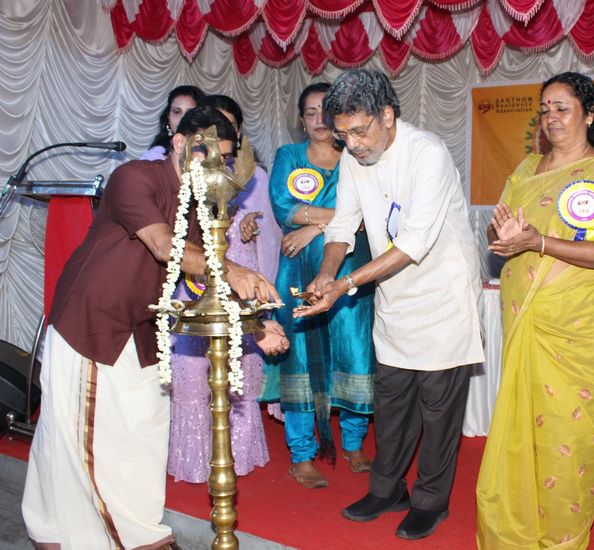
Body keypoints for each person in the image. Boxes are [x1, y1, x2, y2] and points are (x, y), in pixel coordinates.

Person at [21, 106, 288, 549]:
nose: (213, 167)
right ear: (179, 143)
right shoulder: (134, 178)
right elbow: (165, 245)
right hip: (94, 323)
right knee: (86, 435)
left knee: (141, 430)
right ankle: (109, 536)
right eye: (206, 154)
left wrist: (255, 323)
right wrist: (234, 271)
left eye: (223, 159)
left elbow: (202, 275)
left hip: (144, 327)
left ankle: (83, 528)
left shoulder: (198, 199)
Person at [296, 68, 484, 540]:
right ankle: (386, 490)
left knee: (438, 412)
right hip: (394, 296)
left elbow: (413, 243)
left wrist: (345, 283)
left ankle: (431, 501)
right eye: (344, 135)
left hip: (443, 298)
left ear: (387, 115)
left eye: (360, 131)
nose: (353, 144)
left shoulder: (427, 153)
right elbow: (342, 224)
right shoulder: (354, 157)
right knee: (392, 402)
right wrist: (326, 274)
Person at [475, 72, 594, 549]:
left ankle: (563, 538)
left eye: (562, 108)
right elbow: (500, 233)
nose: (551, 118)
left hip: (579, 328)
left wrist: (537, 241)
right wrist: (504, 237)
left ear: (589, 115)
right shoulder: (526, 168)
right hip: (525, 318)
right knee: (525, 431)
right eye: (545, 110)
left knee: (570, 434)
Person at [258, 82, 376, 489]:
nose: (319, 120)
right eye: (310, 113)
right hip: (297, 274)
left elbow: (369, 212)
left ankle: (354, 444)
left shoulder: (358, 157)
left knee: (355, 353)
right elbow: (284, 209)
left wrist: (314, 226)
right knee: (299, 359)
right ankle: (302, 454)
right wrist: (333, 219)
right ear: (301, 120)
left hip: (350, 273)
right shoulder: (289, 157)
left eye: (326, 111)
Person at [167, 95, 281, 483]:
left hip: (240, 269)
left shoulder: (250, 175)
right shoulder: (186, 177)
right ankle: (194, 461)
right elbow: (179, 244)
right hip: (199, 275)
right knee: (192, 375)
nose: (218, 154)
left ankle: (238, 456)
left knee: (240, 373)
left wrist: (250, 226)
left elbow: (266, 229)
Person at [142, 84, 204, 160]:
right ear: (168, 116)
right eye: (177, 112)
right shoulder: (155, 156)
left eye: (190, 113)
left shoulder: (212, 149)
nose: (183, 119)